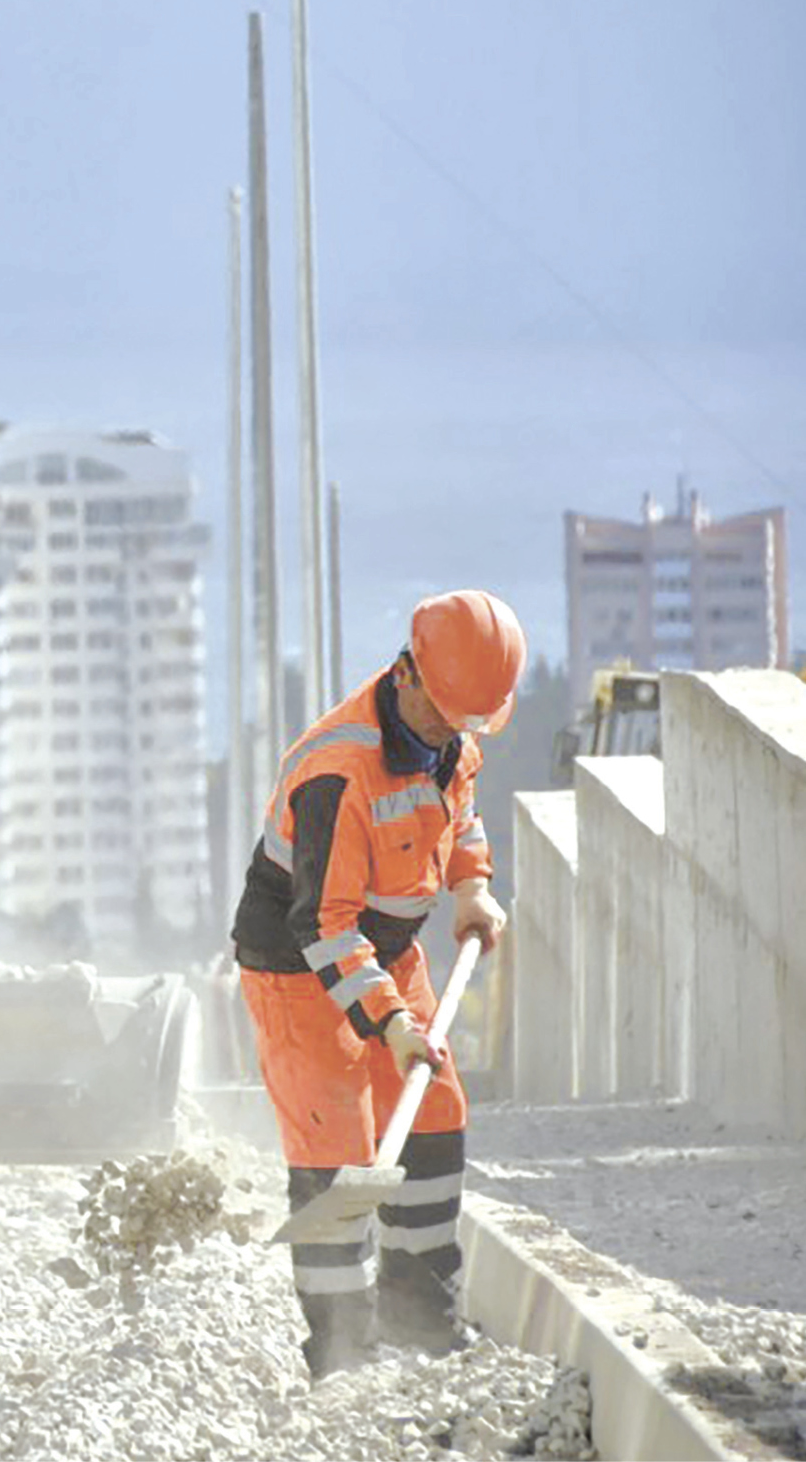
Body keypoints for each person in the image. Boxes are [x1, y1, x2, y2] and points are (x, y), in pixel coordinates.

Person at [230, 588, 523, 1380]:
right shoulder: (337, 773)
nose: (454, 734)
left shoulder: (451, 735)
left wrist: (470, 884)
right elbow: (322, 926)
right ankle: (341, 1353)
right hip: (299, 968)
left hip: (388, 955)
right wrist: (390, 1025)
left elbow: (459, 815)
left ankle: (422, 1318)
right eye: (445, 716)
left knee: (433, 1114)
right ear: (408, 675)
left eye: (469, 722)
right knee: (337, 1150)